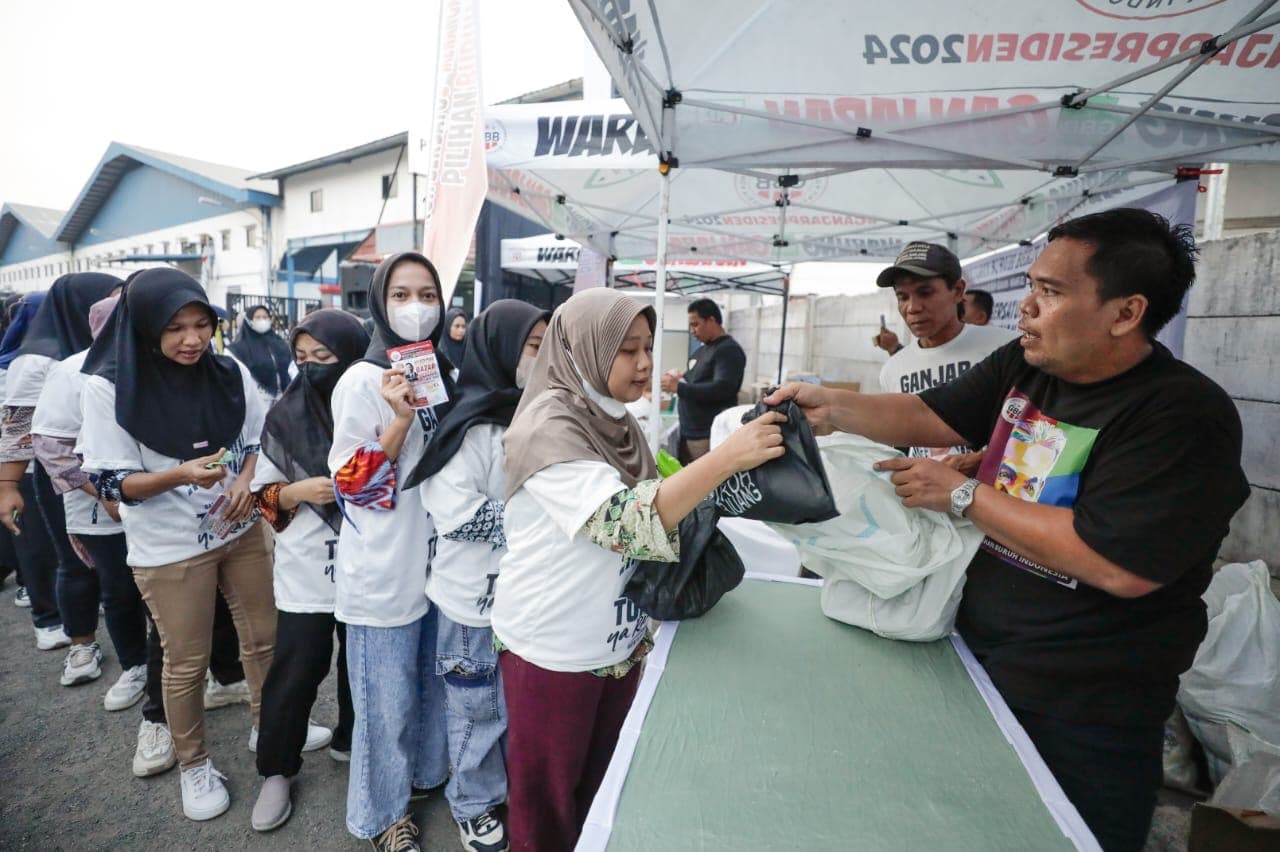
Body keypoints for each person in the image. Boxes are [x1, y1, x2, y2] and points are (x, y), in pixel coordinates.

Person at [766, 209, 1249, 852]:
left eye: (1051, 293)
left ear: (1126, 313)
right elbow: (928, 413)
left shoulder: (1181, 415)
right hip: (977, 655)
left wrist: (965, 495)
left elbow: (1118, 564)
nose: (1026, 308)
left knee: (1070, 835)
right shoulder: (1029, 367)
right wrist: (830, 409)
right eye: (1031, 286)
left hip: (1085, 704)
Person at [495, 288, 785, 850]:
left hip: (618, 642)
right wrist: (727, 458)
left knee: (601, 793)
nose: (645, 363)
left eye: (648, 347)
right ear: (582, 350)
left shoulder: (617, 421)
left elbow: (662, 499)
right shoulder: (547, 427)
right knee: (546, 807)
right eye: (626, 350)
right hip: (554, 650)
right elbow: (622, 522)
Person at [79, 268, 277, 822]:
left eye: (201, 325)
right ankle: (194, 764)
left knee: (262, 639)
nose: (193, 340)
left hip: (238, 529)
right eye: (176, 329)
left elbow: (257, 438)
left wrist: (245, 481)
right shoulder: (109, 387)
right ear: (144, 328)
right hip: (169, 547)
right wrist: (181, 474)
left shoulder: (228, 369)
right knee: (185, 661)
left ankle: (268, 727)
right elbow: (113, 483)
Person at [408, 300, 550, 852]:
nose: (539, 358)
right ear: (501, 348)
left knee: (510, 707)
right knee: (474, 708)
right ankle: (472, 803)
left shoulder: (532, 415)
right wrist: (535, 523)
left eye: (545, 346)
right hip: (471, 604)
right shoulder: (467, 426)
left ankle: (495, 786)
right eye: (532, 346)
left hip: (521, 600)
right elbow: (458, 515)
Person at [329, 251, 455, 851]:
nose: (415, 306)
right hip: (382, 569)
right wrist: (398, 420)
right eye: (401, 294)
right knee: (386, 702)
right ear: (379, 301)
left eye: (427, 293)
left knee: (430, 684)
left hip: (434, 564)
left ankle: (425, 777)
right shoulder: (361, 380)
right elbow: (353, 486)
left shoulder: (437, 373)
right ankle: (381, 814)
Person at [249, 308, 369, 832]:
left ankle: (352, 739)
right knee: (297, 667)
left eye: (325, 357)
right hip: (307, 569)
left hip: (369, 564)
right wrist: (299, 491)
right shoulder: (285, 415)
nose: (313, 368)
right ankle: (277, 768)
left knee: (361, 664)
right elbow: (263, 496)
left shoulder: (373, 408)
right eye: (302, 358)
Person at [31, 290, 152, 707]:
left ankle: (184, 667)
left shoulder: (160, 362)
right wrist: (102, 492)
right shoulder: (73, 371)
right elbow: (50, 445)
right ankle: (136, 665)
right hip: (99, 507)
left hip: (160, 499)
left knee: (169, 586)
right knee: (119, 588)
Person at [874, 242, 1017, 472]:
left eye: (925, 292)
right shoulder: (892, 369)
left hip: (994, 498)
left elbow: (1039, 430)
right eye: (902, 297)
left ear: (958, 291)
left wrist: (982, 459)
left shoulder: (1005, 348)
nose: (912, 308)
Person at [0, 292, 68, 648]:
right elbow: (16, 429)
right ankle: (48, 619)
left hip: (64, 471)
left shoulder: (65, 355)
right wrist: (7, 483)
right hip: (30, 472)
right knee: (37, 548)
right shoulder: (23, 363)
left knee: (68, 549)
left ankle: (70, 609)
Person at [660, 298, 746, 464]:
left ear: (712, 320)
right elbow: (696, 379)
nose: (692, 330)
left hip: (707, 434)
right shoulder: (704, 349)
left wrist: (680, 388)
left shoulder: (728, 350)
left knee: (707, 487)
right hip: (690, 431)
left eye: (696, 324)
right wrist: (680, 378)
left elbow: (723, 388)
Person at [230, 304, 293, 405]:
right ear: (249, 320)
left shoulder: (279, 343)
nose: (262, 320)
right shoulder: (238, 348)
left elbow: (291, 367)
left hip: (284, 399)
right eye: (258, 317)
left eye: (265, 317)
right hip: (256, 401)